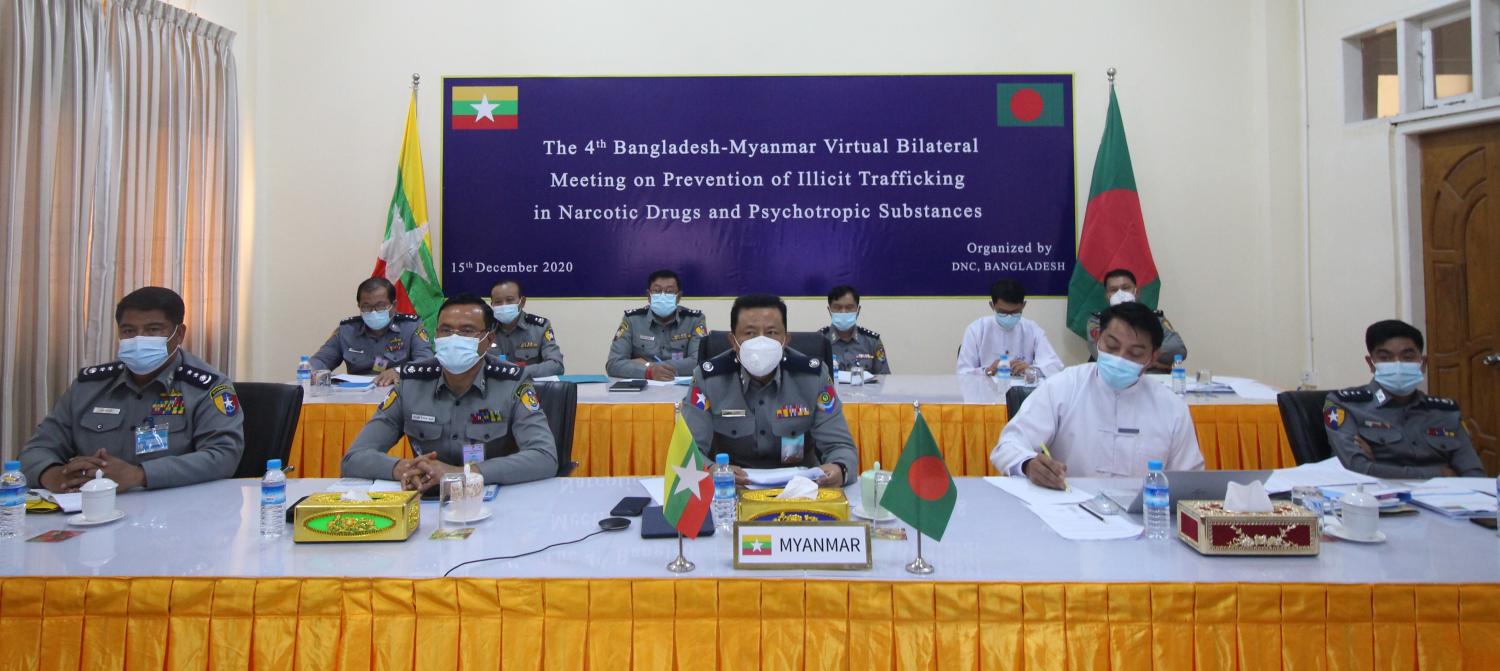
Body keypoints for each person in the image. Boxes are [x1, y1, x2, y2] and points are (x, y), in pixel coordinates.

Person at [20, 287, 244, 492]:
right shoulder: (89, 386)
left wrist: (139, 475)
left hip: (172, 508)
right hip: (92, 505)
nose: (139, 339)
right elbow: (38, 448)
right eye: (129, 331)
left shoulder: (206, 386)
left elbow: (223, 455)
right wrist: (53, 476)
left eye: (153, 330)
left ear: (179, 334)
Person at [341, 294, 558, 489]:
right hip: (425, 497)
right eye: (445, 330)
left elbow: (544, 457)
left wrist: (461, 474)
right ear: (436, 335)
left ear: (489, 339)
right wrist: (404, 468)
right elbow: (354, 457)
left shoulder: (512, 382)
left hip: (491, 499)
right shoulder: (411, 383)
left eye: (467, 331)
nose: (454, 338)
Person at [991, 301, 1204, 489]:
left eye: (1135, 353)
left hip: (1144, 513)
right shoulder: (1064, 386)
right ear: (1098, 339)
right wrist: (1028, 464)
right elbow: (1008, 445)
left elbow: (1189, 482)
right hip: (1067, 507)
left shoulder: (1171, 407)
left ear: (1153, 357)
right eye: (1112, 346)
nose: (1120, 358)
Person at [682, 294, 858, 488]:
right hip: (731, 489)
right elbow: (688, 452)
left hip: (802, 489)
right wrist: (713, 470)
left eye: (772, 332)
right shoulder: (708, 379)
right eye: (750, 333)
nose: (761, 341)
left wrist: (839, 468)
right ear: (733, 341)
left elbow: (840, 446)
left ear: (786, 340)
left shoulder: (813, 377)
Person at [1322, 319, 1485, 478]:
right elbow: (1358, 468)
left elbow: (1473, 473)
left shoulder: (1445, 412)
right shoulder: (1346, 405)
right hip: (1380, 495)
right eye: (1385, 358)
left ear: (1423, 363)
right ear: (1371, 364)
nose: (1397, 364)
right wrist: (1439, 473)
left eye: (1407, 357)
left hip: (1446, 495)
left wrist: (1379, 467)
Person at [309, 277, 433, 386]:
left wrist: (398, 371)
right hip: (357, 397)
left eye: (380, 306)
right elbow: (320, 360)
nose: (373, 312)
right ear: (359, 306)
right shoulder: (347, 331)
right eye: (366, 307)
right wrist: (312, 371)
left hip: (398, 394)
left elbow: (427, 361)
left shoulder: (411, 327)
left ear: (394, 306)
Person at [605, 269, 707, 381]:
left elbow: (699, 362)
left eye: (669, 292)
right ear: (648, 296)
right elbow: (613, 364)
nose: (662, 296)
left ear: (678, 297)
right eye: (657, 291)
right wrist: (649, 372)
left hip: (681, 388)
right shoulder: (632, 320)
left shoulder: (694, 320)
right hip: (642, 388)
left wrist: (649, 365)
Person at [956, 279, 1064, 377]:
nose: (1008, 317)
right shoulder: (976, 330)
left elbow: (1056, 368)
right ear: (992, 305)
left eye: (1015, 312)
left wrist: (1031, 370)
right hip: (985, 390)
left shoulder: (1032, 329)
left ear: (1023, 305)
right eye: (1002, 312)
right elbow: (963, 373)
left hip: (1024, 390)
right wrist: (987, 371)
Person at [1085, 268, 1186, 372]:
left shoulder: (1154, 318)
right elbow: (1101, 353)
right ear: (1107, 296)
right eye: (1114, 290)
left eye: (1125, 288)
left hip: (1152, 378)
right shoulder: (1097, 321)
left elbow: (1176, 349)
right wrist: (1153, 363)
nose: (1120, 293)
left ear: (1136, 292)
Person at [487, 278, 564, 378]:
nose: (504, 305)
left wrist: (518, 373)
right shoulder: (484, 329)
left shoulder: (540, 328)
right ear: (492, 305)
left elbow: (556, 365)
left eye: (509, 300)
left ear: (522, 302)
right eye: (498, 302)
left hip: (529, 386)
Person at [818, 284, 891, 374]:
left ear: (858, 310)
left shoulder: (872, 342)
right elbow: (811, 378)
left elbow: (884, 377)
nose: (843, 312)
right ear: (829, 310)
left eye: (849, 307)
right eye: (837, 307)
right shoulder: (818, 341)